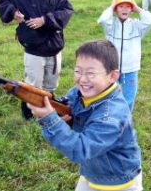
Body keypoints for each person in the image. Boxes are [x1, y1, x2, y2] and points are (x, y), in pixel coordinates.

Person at [27, 40, 143, 191]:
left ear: (113, 76)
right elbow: (69, 107)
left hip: (119, 182)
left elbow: (80, 149)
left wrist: (50, 119)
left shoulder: (111, 116)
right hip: (93, 171)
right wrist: (59, 114)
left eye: (90, 73)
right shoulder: (79, 92)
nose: (82, 79)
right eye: (78, 71)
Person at [0, 0, 74, 120]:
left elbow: (67, 11)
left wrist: (44, 20)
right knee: (32, 87)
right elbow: (3, 0)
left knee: (50, 87)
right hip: (34, 51)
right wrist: (13, 12)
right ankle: (29, 117)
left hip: (54, 50)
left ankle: (49, 113)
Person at [97, 0, 151, 112]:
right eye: (120, 6)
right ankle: (108, 116)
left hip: (131, 69)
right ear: (115, 10)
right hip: (112, 68)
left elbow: (150, 21)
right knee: (108, 95)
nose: (124, 9)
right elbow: (102, 19)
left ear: (132, 9)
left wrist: (137, 8)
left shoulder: (137, 25)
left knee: (129, 97)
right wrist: (111, 6)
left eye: (128, 7)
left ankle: (124, 120)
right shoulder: (110, 25)